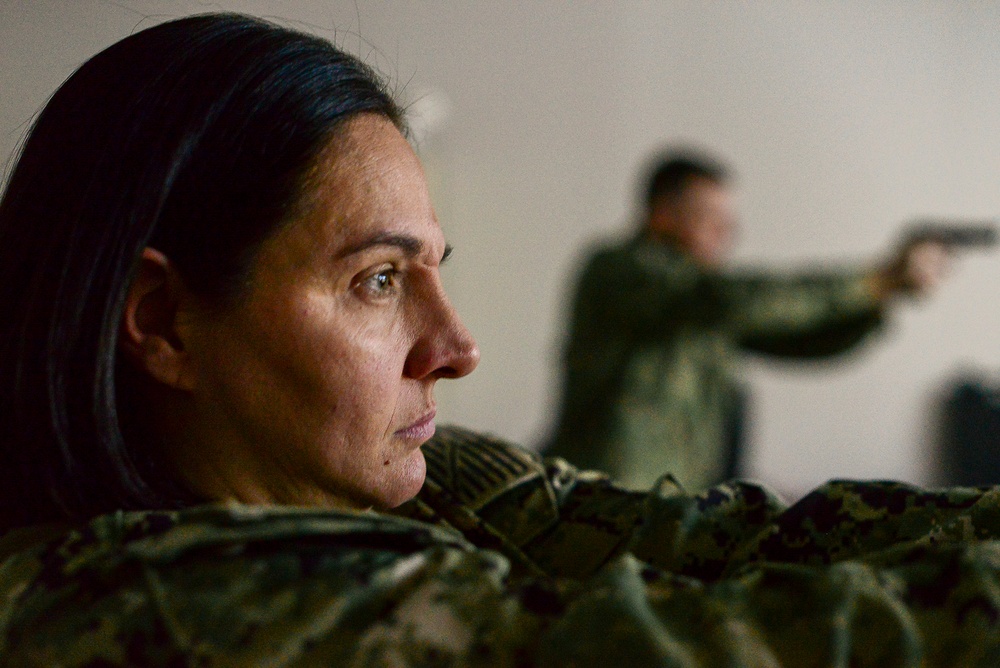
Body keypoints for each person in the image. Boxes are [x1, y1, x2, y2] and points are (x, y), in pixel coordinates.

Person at [0, 13, 998, 666]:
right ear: (165, 321)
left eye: (436, 268)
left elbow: (729, 536)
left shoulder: (378, 465)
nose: (457, 344)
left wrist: (875, 304)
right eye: (379, 279)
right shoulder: (143, 599)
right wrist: (874, 276)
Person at [546, 152, 951, 492]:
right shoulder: (621, 270)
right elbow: (733, 302)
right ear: (662, 214)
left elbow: (804, 340)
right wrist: (875, 281)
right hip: (604, 500)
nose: (726, 232)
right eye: (709, 217)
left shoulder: (700, 305)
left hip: (669, 503)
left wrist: (881, 297)